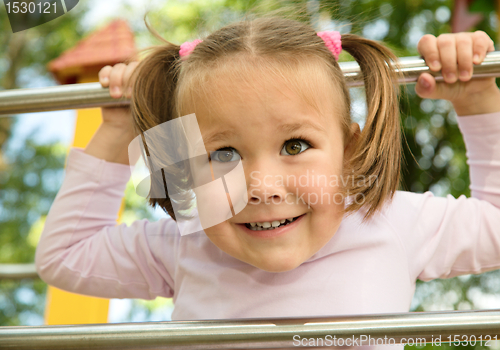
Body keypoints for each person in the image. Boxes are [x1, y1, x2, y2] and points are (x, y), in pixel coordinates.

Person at [36, 14, 500, 330]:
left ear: (350, 151)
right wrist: (118, 130)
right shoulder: (188, 239)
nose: (261, 187)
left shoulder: (391, 222)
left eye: (295, 145)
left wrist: (479, 102)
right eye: (222, 155)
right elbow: (66, 256)